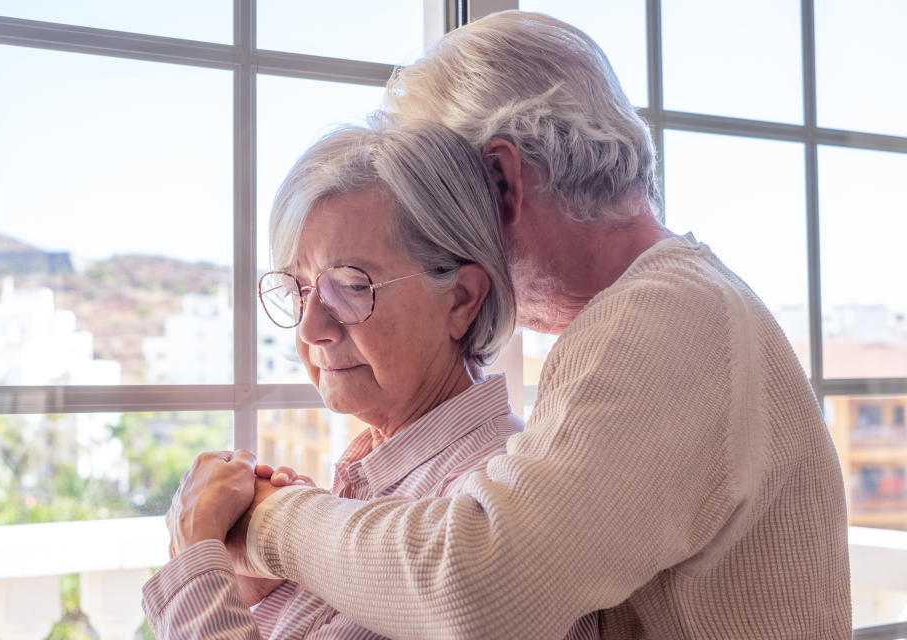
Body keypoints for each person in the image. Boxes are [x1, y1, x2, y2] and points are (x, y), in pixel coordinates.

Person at [173, 10, 852, 639]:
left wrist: (265, 523)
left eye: (441, 195)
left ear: (499, 183)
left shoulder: (659, 318)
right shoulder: (674, 306)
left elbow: (481, 582)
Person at [142, 122, 600, 638]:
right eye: (299, 290)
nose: (311, 328)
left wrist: (195, 560)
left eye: (350, 288)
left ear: (462, 300)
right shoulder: (357, 495)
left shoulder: (488, 510)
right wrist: (252, 593)